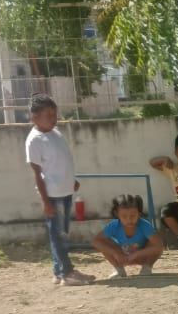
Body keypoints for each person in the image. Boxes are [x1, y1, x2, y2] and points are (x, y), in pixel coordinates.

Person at [25, 93, 94, 286]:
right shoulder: (34, 140)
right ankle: (67, 273)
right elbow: (37, 173)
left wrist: (72, 180)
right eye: (49, 115)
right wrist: (45, 202)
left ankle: (58, 271)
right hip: (53, 195)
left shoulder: (55, 133)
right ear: (35, 117)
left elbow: (61, 161)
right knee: (59, 235)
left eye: (55, 114)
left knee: (62, 232)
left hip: (65, 191)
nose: (54, 118)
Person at [91, 193, 165, 278]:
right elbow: (96, 241)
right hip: (122, 257)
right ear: (117, 214)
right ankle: (119, 270)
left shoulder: (144, 225)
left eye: (133, 216)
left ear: (139, 213)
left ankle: (147, 268)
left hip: (142, 257)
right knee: (104, 243)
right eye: (124, 216)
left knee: (155, 244)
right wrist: (115, 253)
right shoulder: (114, 226)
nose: (129, 220)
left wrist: (136, 254)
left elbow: (159, 246)